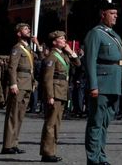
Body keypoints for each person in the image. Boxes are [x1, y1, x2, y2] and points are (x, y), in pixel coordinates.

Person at [84, 1, 122, 165]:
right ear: (103, 14)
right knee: (96, 122)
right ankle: (93, 158)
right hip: (101, 84)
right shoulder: (96, 33)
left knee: (105, 123)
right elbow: (90, 61)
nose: (115, 16)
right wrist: (93, 85)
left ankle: (101, 156)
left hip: (114, 84)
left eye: (116, 13)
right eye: (112, 13)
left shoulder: (114, 35)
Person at [39, 30, 75, 164]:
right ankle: (47, 152)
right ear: (54, 42)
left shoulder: (64, 55)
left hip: (62, 92)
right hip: (55, 92)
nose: (64, 40)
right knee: (50, 123)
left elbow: (78, 64)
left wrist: (71, 52)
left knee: (56, 124)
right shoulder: (52, 57)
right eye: (61, 39)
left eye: (64, 38)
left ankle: (51, 151)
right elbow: (47, 78)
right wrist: (50, 96)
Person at [2, 22, 37, 154]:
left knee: (20, 115)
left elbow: (37, 61)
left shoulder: (28, 49)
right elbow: (12, 67)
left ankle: (14, 143)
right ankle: (7, 145)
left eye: (28, 28)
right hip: (19, 84)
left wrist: (37, 44)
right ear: (18, 33)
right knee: (13, 115)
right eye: (25, 29)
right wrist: (13, 83)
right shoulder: (17, 48)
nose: (28, 30)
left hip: (27, 84)